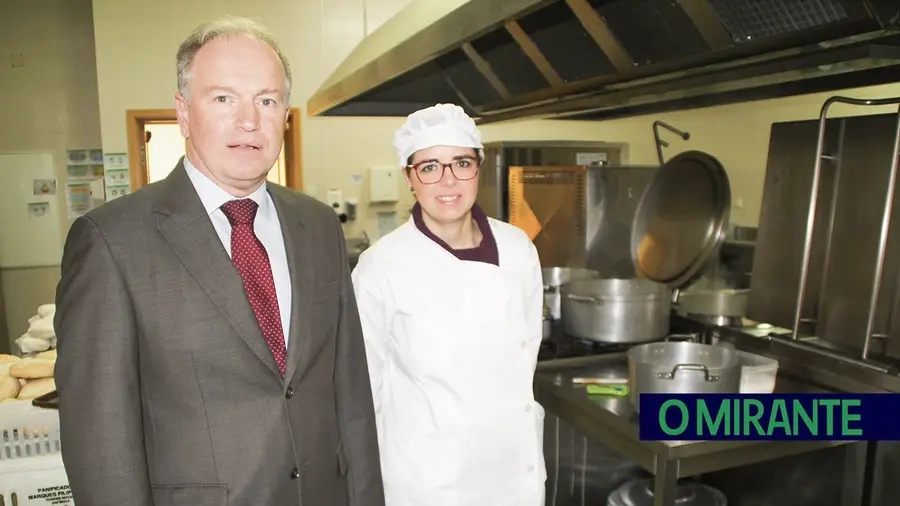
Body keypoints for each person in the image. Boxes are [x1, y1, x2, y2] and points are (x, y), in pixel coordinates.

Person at [54, 16, 384, 506]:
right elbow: (101, 440)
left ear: (285, 114)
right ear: (184, 114)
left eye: (267, 100)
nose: (249, 120)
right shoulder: (112, 241)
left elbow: (351, 393)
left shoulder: (317, 227)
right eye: (223, 98)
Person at [351, 103, 547, 506]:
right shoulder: (381, 267)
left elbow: (527, 352)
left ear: (478, 166)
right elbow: (364, 391)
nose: (448, 180)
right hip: (429, 483)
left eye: (460, 163)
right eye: (429, 167)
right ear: (409, 177)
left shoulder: (518, 249)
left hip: (514, 474)